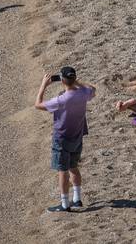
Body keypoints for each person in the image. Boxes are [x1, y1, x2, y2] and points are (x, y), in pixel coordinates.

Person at [35, 66, 96, 212]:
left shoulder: (61, 99)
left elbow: (38, 105)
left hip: (62, 138)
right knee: (73, 167)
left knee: (62, 170)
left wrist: (43, 85)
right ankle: (77, 199)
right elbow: (93, 88)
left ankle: (64, 204)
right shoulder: (83, 93)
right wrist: (76, 82)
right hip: (77, 136)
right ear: (74, 79)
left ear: (62, 80)